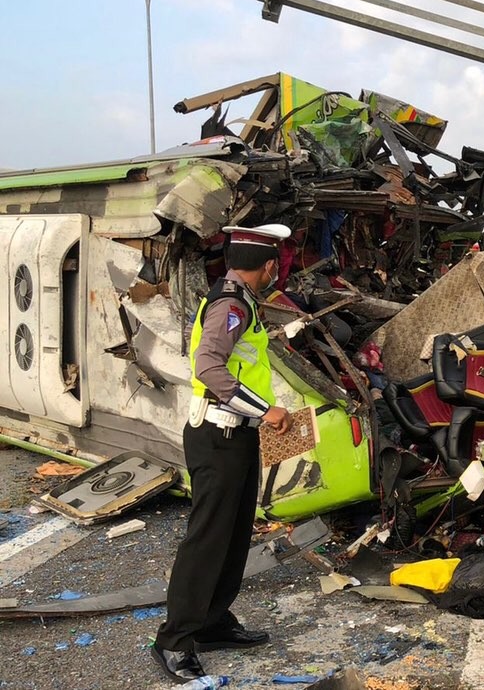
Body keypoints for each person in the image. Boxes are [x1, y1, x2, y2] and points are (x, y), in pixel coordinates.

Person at [152, 224, 293, 681]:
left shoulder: (240, 299)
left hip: (237, 435)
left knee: (233, 535)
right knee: (208, 538)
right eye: (275, 264)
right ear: (267, 265)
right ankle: (174, 640)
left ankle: (212, 622)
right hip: (218, 435)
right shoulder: (231, 303)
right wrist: (265, 410)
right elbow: (209, 366)